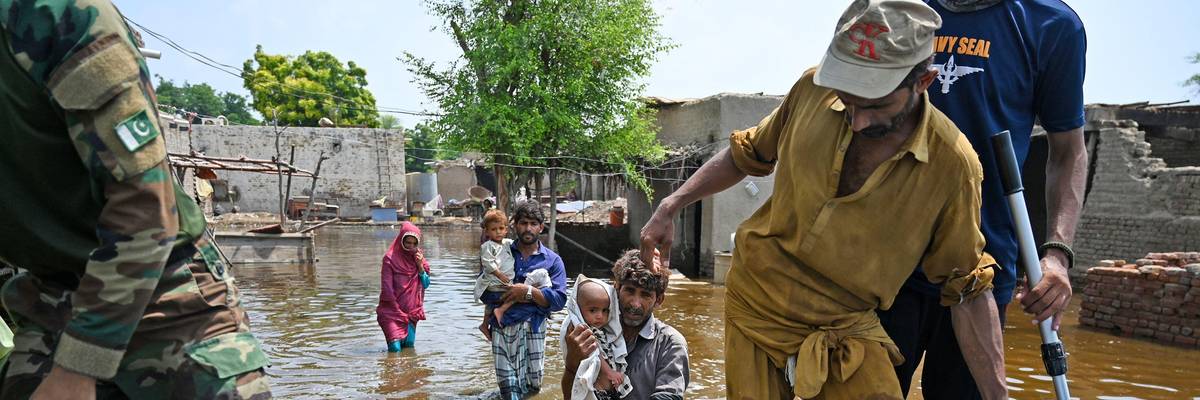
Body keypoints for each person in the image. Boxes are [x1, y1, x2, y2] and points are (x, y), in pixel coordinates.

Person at [638, 0, 1008, 398]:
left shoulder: (953, 165)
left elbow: (966, 287)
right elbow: (748, 153)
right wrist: (670, 205)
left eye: (876, 104)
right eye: (848, 99)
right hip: (758, 295)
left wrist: (998, 395)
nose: (858, 120)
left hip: (846, 322)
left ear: (923, 82)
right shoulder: (812, 89)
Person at [0, 0, 271, 398]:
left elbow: (145, 205)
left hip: (166, 296)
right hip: (47, 297)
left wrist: (77, 369)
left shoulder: (55, 15)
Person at [877, 0, 1087, 398]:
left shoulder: (1051, 24)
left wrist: (1057, 254)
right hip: (885, 263)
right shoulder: (902, 9)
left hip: (981, 266)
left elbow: (1068, 152)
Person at [563, 250, 689, 399]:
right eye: (630, 291)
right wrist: (571, 365)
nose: (635, 304)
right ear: (616, 288)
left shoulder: (670, 343)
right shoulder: (594, 330)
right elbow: (571, 395)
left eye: (645, 295)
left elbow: (668, 396)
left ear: (659, 300)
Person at [478, 201, 568, 399]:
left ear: (541, 227)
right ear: (514, 225)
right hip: (503, 325)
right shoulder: (499, 251)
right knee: (508, 387)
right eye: (523, 223)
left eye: (533, 223)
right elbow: (485, 289)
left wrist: (527, 292)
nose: (528, 228)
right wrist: (511, 294)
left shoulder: (552, 260)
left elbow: (559, 300)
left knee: (533, 386)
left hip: (534, 327)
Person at [559, 276, 631, 400]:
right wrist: (610, 372)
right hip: (597, 390)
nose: (600, 316)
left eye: (605, 310)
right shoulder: (580, 330)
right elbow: (594, 352)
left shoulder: (601, 330)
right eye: (593, 310)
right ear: (578, 309)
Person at [377, 222, 431, 352]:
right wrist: (397, 311)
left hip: (411, 313)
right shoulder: (389, 259)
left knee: (409, 347)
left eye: (414, 243)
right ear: (401, 240)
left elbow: (426, 284)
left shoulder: (418, 258)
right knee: (395, 349)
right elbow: (387, 289)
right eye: (408, 243)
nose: (411, 247)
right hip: (392, 311)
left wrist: (420, 266)